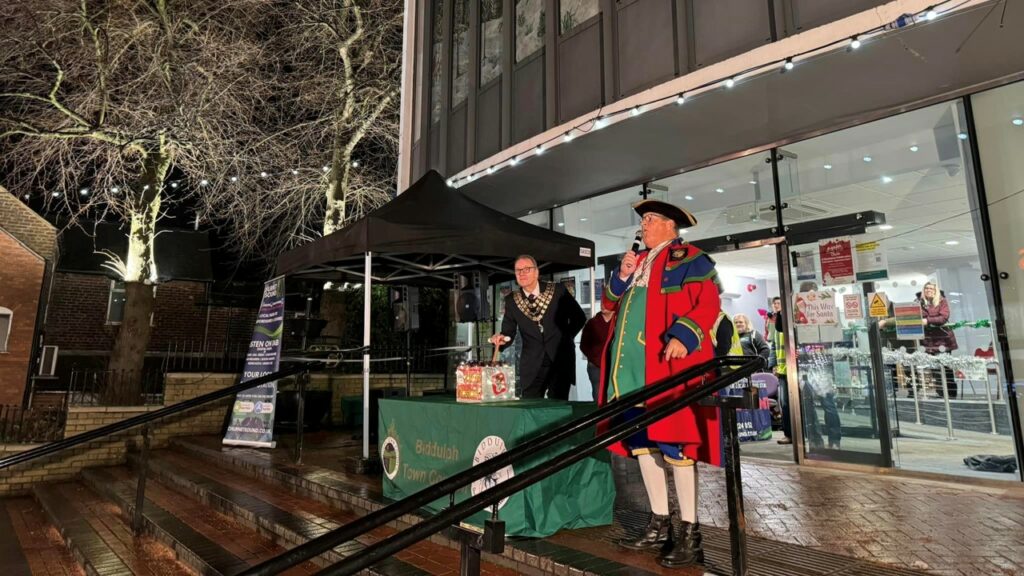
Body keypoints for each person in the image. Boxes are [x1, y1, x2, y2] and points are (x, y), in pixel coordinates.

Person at [598, 199, 720, 568]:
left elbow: (709, 302)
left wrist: (685, 334)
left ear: (671, 226)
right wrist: (621, 275)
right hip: (629, 376)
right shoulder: (638, 264)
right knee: (642, 448)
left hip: (664, 372)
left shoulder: (690, 257)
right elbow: (608, 306)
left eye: (650, 219)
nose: (644, 225)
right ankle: (659, 524)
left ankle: (689, 534)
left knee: (674, 448)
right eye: (643, 220)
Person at [489, 256, 586, 400]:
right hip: (532, 363)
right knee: (530, 405)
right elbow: (508, 332)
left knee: (558, 406)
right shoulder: (512, 300)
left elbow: (579, 317)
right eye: (518, 270)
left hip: (560, 359)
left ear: (536, 272)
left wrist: (565, 339)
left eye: (526, 269)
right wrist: (502, 339)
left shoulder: (557, 291)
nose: (522, 273)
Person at [918, 281, 958, 398]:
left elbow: (943, 317)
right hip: (928, 342)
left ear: (936, 291)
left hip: (943, 341)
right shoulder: (919, 303)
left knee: (946, 370)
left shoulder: (942, 301)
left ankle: (951, 395)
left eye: (931, 288)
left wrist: (927, 321)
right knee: (934, 370)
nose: (929, 290)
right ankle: (941, 394)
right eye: (926, 288)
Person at [580, 308, 614, 402]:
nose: (603, 306)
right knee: (598, 395)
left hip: (613, 364)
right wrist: (596, 359)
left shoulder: (617, 323)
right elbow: (584, 345)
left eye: (606, 303)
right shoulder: (592, 323)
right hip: (595, 366)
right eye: (602, 303)